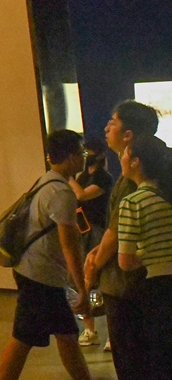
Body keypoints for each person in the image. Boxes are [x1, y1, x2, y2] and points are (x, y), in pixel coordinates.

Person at [0, 129, 125, 380]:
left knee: (66, 337)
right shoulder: (60, 193)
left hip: (35, 273)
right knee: (23, 338)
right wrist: (82, 287)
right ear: (72, 156)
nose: (83, 159)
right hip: (41, 277)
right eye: (80, 153)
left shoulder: (45, 182)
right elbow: (69, 245)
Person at [85, 101, 161, 380]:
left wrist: (93, 265)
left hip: (127, 287)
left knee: (135, 370)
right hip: (127, 286)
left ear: (129, 135)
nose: (106, 128)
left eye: (112, 122)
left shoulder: (132, 183)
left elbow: (116, 236)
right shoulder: (131, 179)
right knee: (135, 370)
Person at [115, 134, 172, 380]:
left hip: (158, 292)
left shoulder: (133, 202)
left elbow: (126, 261)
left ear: (135, 161)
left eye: (125, 153)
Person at [70, 135, 113, 345]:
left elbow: (83, 195)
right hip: (82, 230)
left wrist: (66, 176)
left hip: (96, 231)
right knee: (83, 280)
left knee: (99, 278)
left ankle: (112, 335)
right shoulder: (82, 176)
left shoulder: (104, 178)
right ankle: (90, 330)